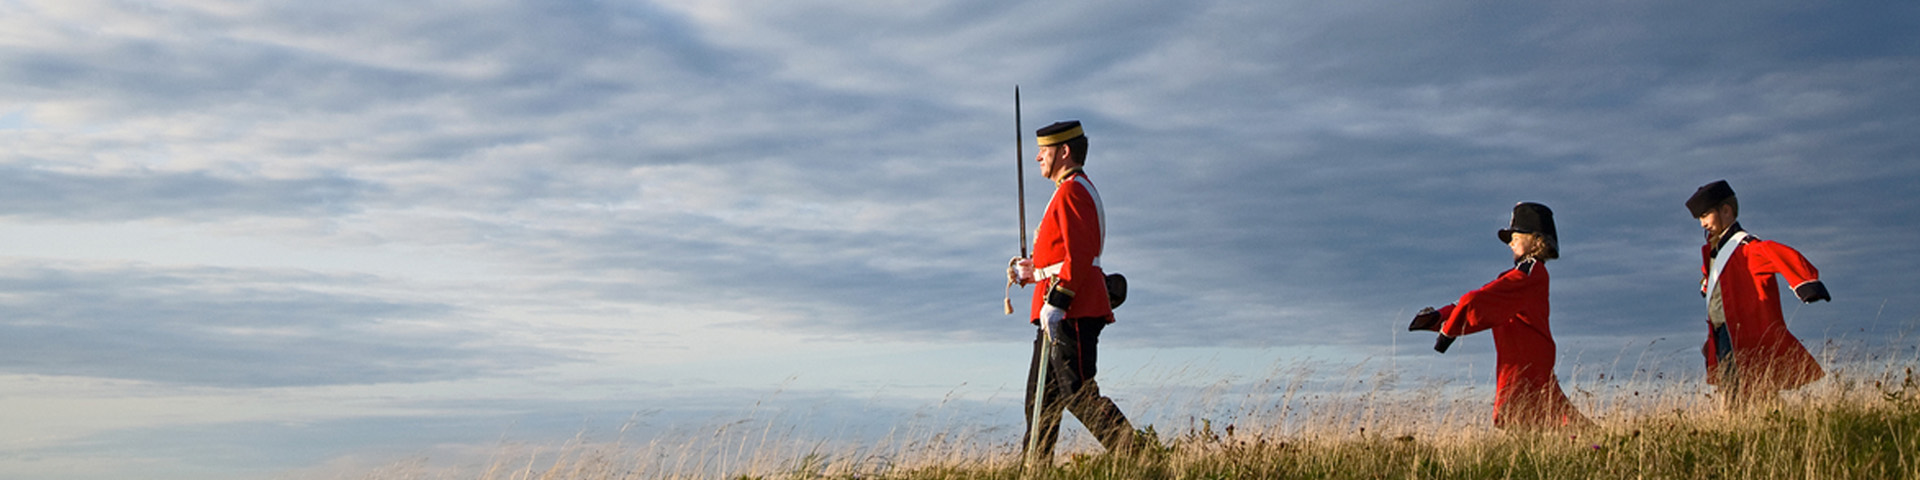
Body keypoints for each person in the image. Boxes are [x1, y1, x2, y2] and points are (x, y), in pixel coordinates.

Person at [1006, 120, 1135, 463]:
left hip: (1072, 308)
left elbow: (1080, 254)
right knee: (1040, 402)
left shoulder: (1074, 191)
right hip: (1057, 308)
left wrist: (1059, 301)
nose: (1037, 158)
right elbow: (1061, 257)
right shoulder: (1067, 189)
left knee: (1078, 394)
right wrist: (1031, 270)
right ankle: (1035, 470)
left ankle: (1140, 456)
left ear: (1064, 152)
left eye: (1043, 151)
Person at [1409, 202, 1592, 430]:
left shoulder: (1531, 272)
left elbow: (1478, 301)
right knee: (1546, 412)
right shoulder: (1518, 274)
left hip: (1526, 355)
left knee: (1518, 412)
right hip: (1523, 353)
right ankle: (1600, 446)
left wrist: (1448, 330)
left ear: (1537, 240)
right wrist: (1439, 317)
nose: (1511, 243)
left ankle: (1590, 447)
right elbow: (1484, 297)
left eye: (1516, 236)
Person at [1685, 180, 1831, 407]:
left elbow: (1779, 254)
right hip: (1721, 331)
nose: (1703, 223)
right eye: (1700, 219)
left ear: (1726, 210)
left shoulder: (1748, 247)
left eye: (1706, 215)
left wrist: (1806, 283)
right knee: (1730, 386)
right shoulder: (1713, 253)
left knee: (1753, 386)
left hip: (1745, 330)